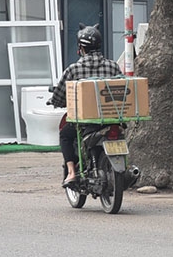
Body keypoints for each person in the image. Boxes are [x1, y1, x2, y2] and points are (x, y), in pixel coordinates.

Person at [49, 24, 122, 188]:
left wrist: (54, 101)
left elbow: (60, 94)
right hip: (111, 118)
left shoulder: (74, 70)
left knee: (65, 136)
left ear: (81, 47)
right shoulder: (113, 67)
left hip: (84, 122)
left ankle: (71, 172)